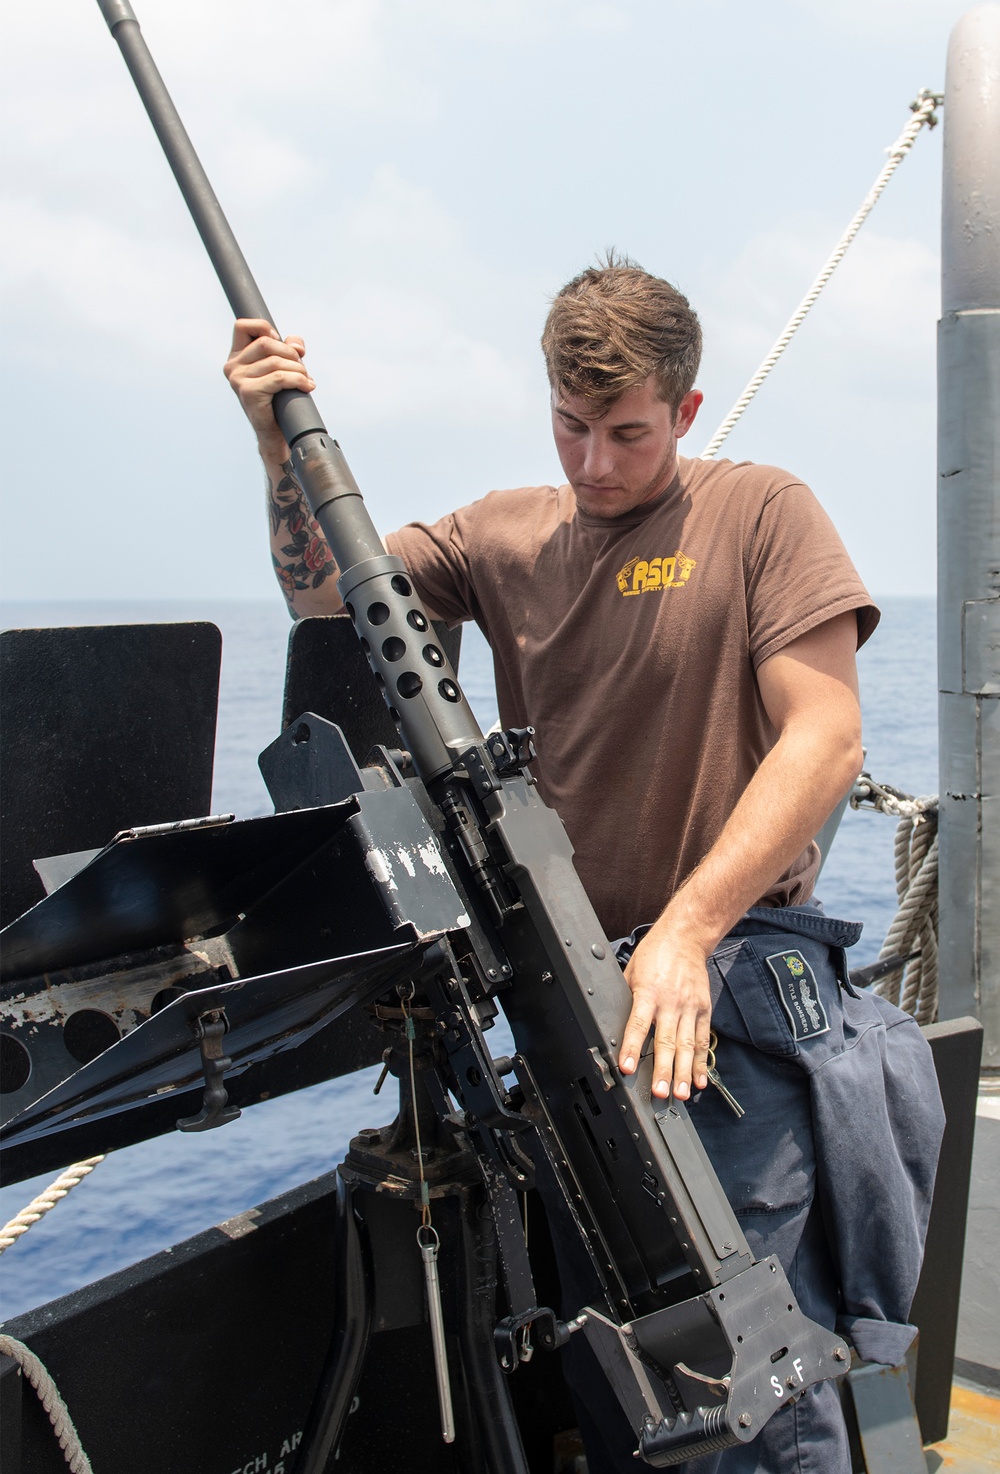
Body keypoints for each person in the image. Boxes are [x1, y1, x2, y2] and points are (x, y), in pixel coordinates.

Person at [224, 258, 943, 1473]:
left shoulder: (761, 513)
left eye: (626, 432)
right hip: (572, 1007)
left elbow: (827, 737)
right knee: (626, 1386)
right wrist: (269, 439)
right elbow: (320, 592)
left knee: (749, 1392)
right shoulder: (503, 535)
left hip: (726, 987)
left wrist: (687, 931)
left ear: (687, 411)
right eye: (572, 426)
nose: (596, 462)